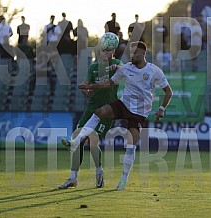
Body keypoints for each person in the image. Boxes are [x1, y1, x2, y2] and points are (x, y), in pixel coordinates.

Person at [63, 41, 173, 190]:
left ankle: (123, 179)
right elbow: (109, 83)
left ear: (142, 54)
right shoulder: (126, 68)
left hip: (139, 113)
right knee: (99, 112)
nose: (132, 55)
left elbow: (169, 92)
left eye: (135, 53)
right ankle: (77, 140)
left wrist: (161, 108)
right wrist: (91, 86)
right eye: (131, 53)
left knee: (130, 146)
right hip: (124, 105)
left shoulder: (154, 71)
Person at [59, 40, 123, 189]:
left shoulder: (116, 63)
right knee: (77, 138)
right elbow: (86, 83)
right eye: (103, 50)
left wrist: (118, 67)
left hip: (108, 110)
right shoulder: (94, 67)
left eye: (108, 50)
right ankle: (72, 177)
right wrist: (86, 90)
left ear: (112, 51)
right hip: (92, 108)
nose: (105, 53)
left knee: (92, 140)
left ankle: (99, 171)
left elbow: (124, 69)